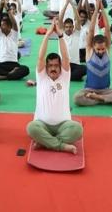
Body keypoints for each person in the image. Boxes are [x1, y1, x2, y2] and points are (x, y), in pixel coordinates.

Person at [26, 18, 83, 154]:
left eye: (56, 66)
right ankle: (61, 146)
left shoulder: (64, 77)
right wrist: (47, 35)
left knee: (77, 130)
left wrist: (60, 35)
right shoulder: (42, 76)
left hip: (63, 125)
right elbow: (40, 58)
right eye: (50, 66)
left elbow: (66, 58)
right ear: (46, 67)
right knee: (31, 128)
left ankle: (46, 143)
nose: (53, 68)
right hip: (42, 124)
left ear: (60, 67)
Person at [74, 0, 112, 106]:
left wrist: (102, 9)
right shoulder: (89, 52)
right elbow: (91, 30)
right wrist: (95, 12)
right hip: (89, 90)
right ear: (93, 47)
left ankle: (98, 98)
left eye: (103, 49)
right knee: (77, 98)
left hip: (105, 90)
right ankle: (105, 100)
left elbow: (107, 30)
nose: (101, 51)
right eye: (98, 49)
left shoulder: (107, 51)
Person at [0, 0, 30, 81]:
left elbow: (14, 23)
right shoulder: (0, 35)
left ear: (9, 26)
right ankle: (10, 75)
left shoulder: (14, 34)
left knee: (26, 69)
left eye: (3, 25)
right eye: (1, 25)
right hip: (1, 64)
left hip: (14, 65)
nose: (1, 26)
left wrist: (7, 8)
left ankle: (4, 76)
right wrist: (0, 7)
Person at [58, 0, 86, 81]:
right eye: (66, 27)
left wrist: (73, 5)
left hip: (74, 64)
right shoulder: (61, 34)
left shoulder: (76, 34)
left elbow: (78, 19)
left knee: (84, 69)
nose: (68, 28)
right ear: (64, 27)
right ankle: (69, 76)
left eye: (70, 27)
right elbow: (60, 18)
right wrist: (66, 4)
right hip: (63, 64)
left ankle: (65, 77)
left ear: (73, 27)